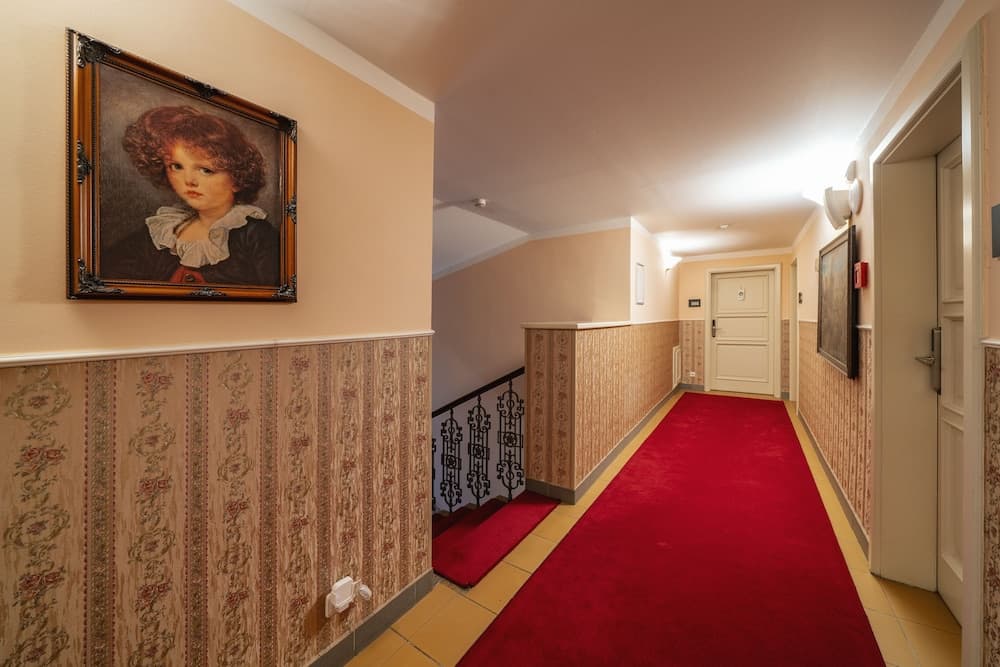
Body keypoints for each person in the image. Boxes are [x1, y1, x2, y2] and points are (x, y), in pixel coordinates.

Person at [103, 105, 280, 286]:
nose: (189, 180)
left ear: (237, 178)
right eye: (176, 167)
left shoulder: (256, 236)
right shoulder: (164, 231)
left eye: (206, 170)